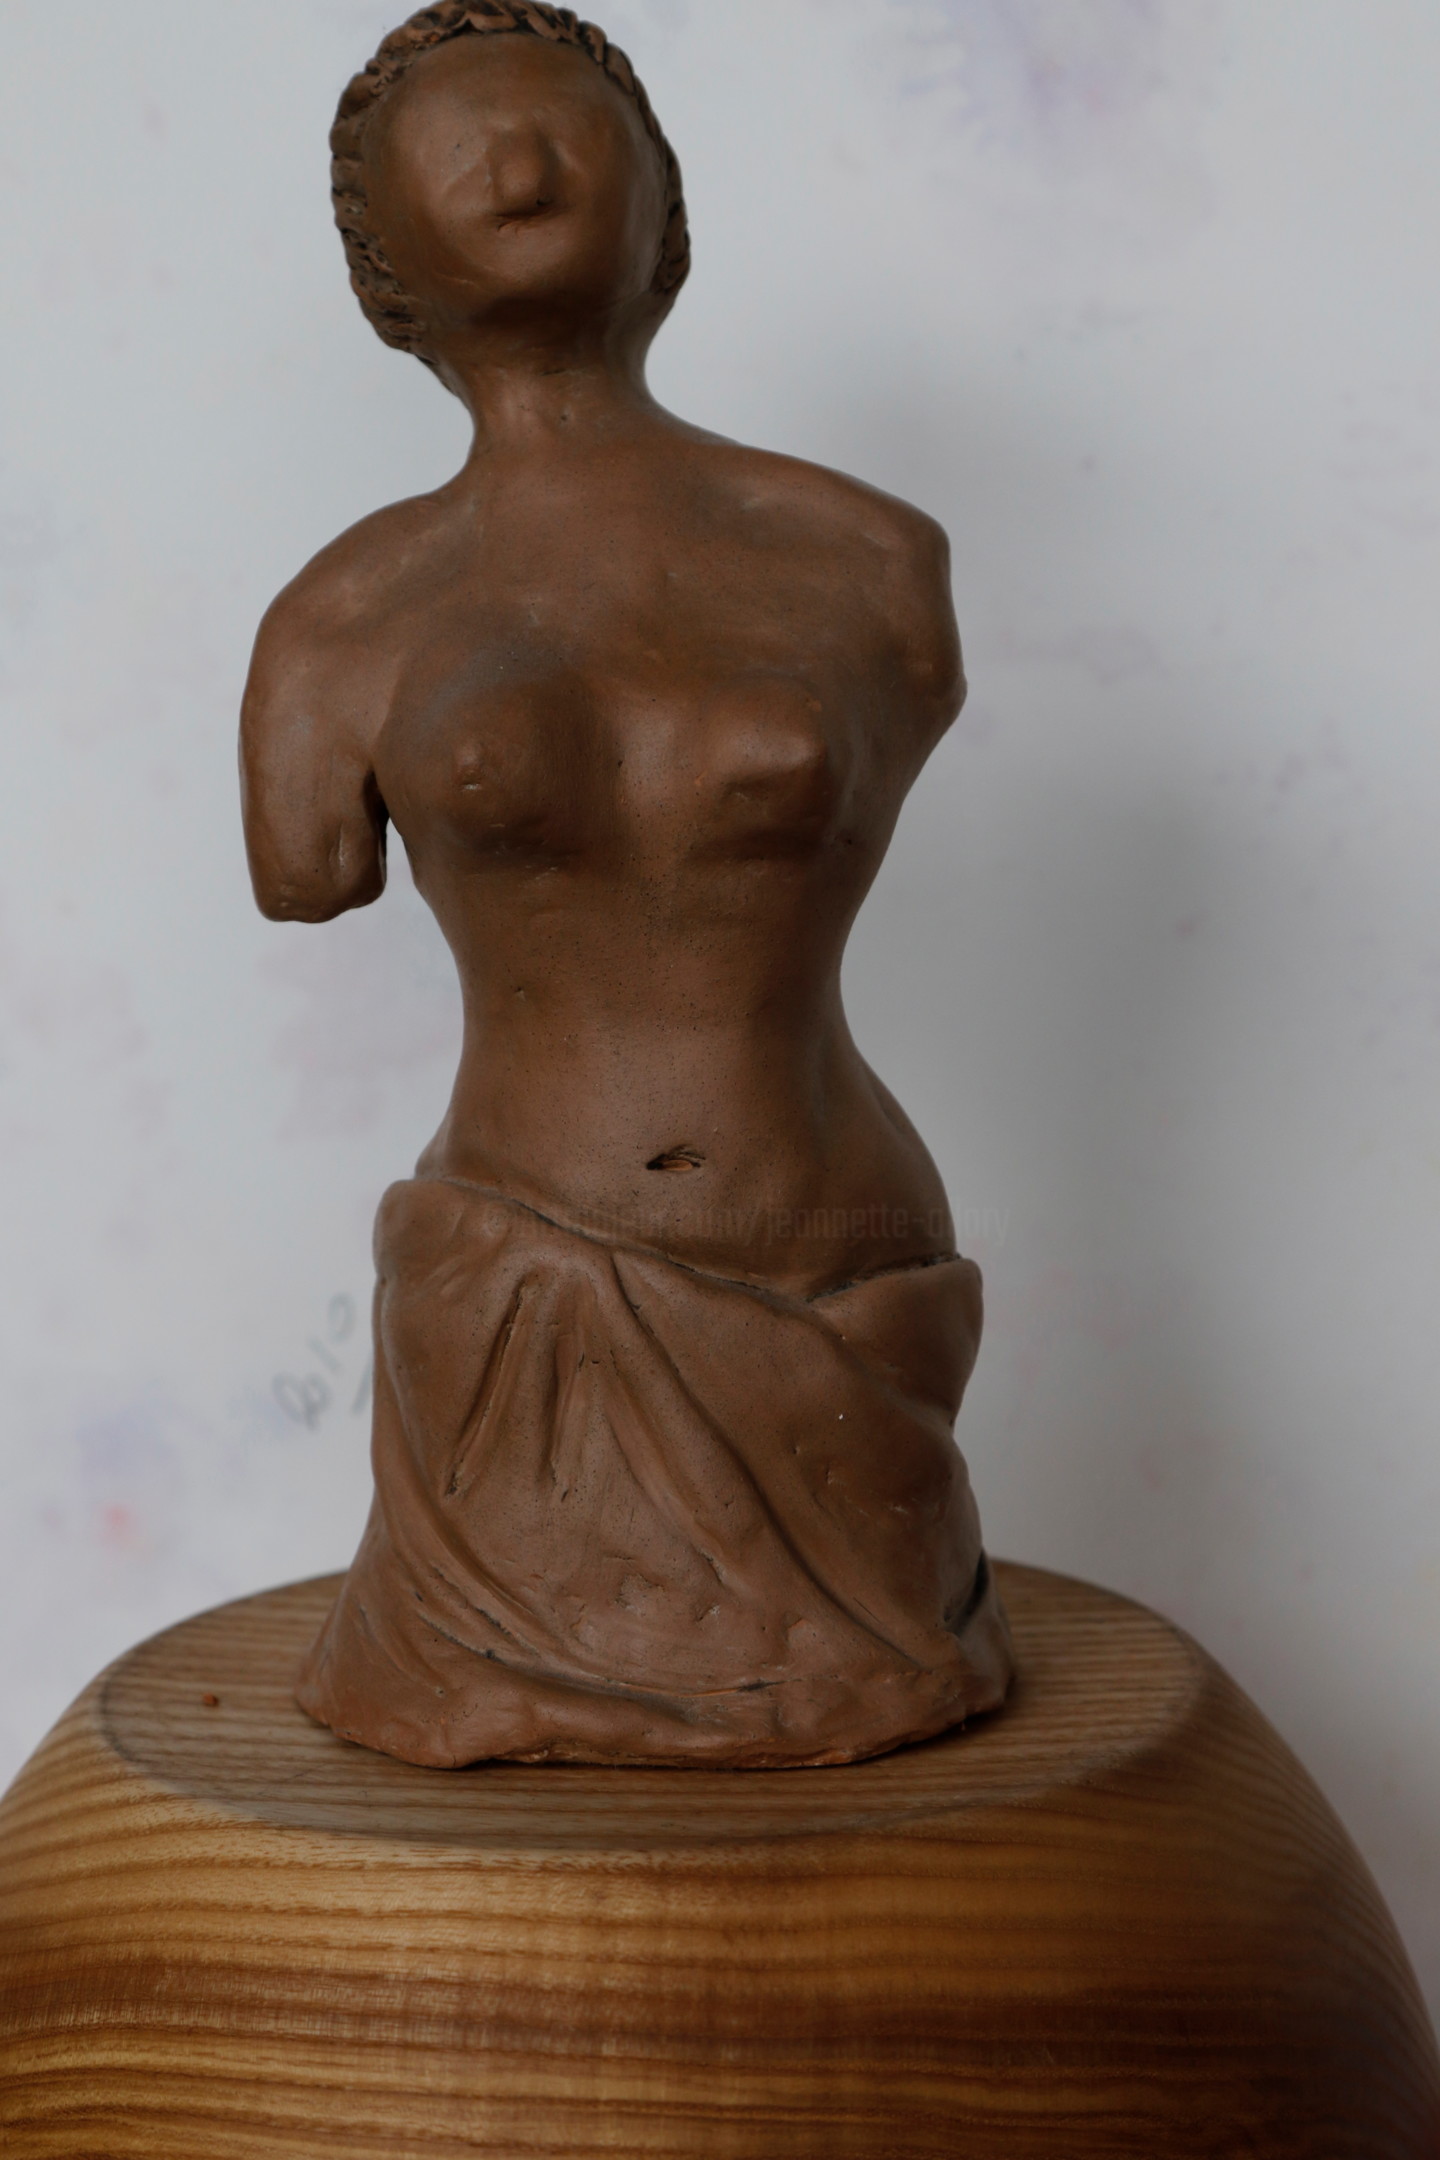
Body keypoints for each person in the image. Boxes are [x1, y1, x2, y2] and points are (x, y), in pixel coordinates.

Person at [240, 0, 1011, 1768]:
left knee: (876, 1716)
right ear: (380, 266)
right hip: (514, 1294)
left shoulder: (868, 556)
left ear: (667, 200)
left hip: (830, 1270)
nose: (518, 165)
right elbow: (304, 870)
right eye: (456, 146)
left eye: (564, 125)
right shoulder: (338, 624)